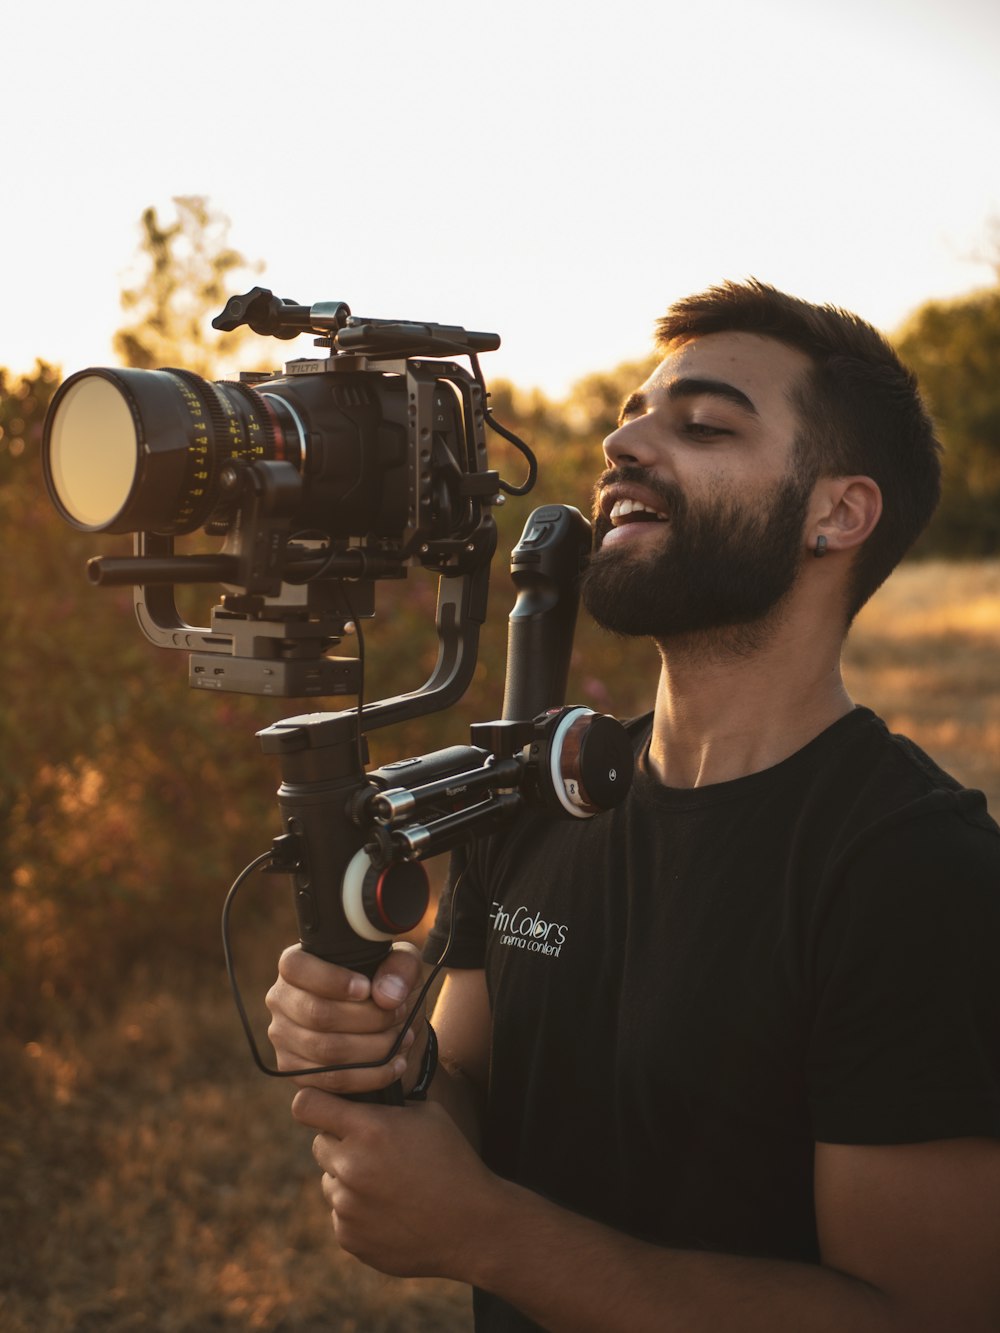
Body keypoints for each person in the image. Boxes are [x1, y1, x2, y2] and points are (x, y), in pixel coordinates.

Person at [265, 280, 1000, 1332]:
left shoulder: (913, 872)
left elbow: (921, 1314)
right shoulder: (536, 791)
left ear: (837, 513)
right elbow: (471, 1083)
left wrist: (481, 1232)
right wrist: (388, 1060)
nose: (624, 446)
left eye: (700, 424)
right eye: (628, 417)